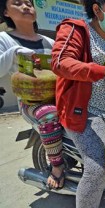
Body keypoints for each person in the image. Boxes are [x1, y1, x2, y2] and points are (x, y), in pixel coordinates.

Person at [50, 0, 105, 207]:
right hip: (87, 112)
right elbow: (61, 62)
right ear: (96, 9)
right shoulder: (76, 29)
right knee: (97, 168)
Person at [0, 0, 65, 189]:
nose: (26, 6)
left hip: (57, 95)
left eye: (29, 3)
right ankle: (57, 166)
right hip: (31, 102)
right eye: (18, 3)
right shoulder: (4, 39)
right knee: (48, 113)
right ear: (6, 12)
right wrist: (14, 52)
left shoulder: (49, 42)